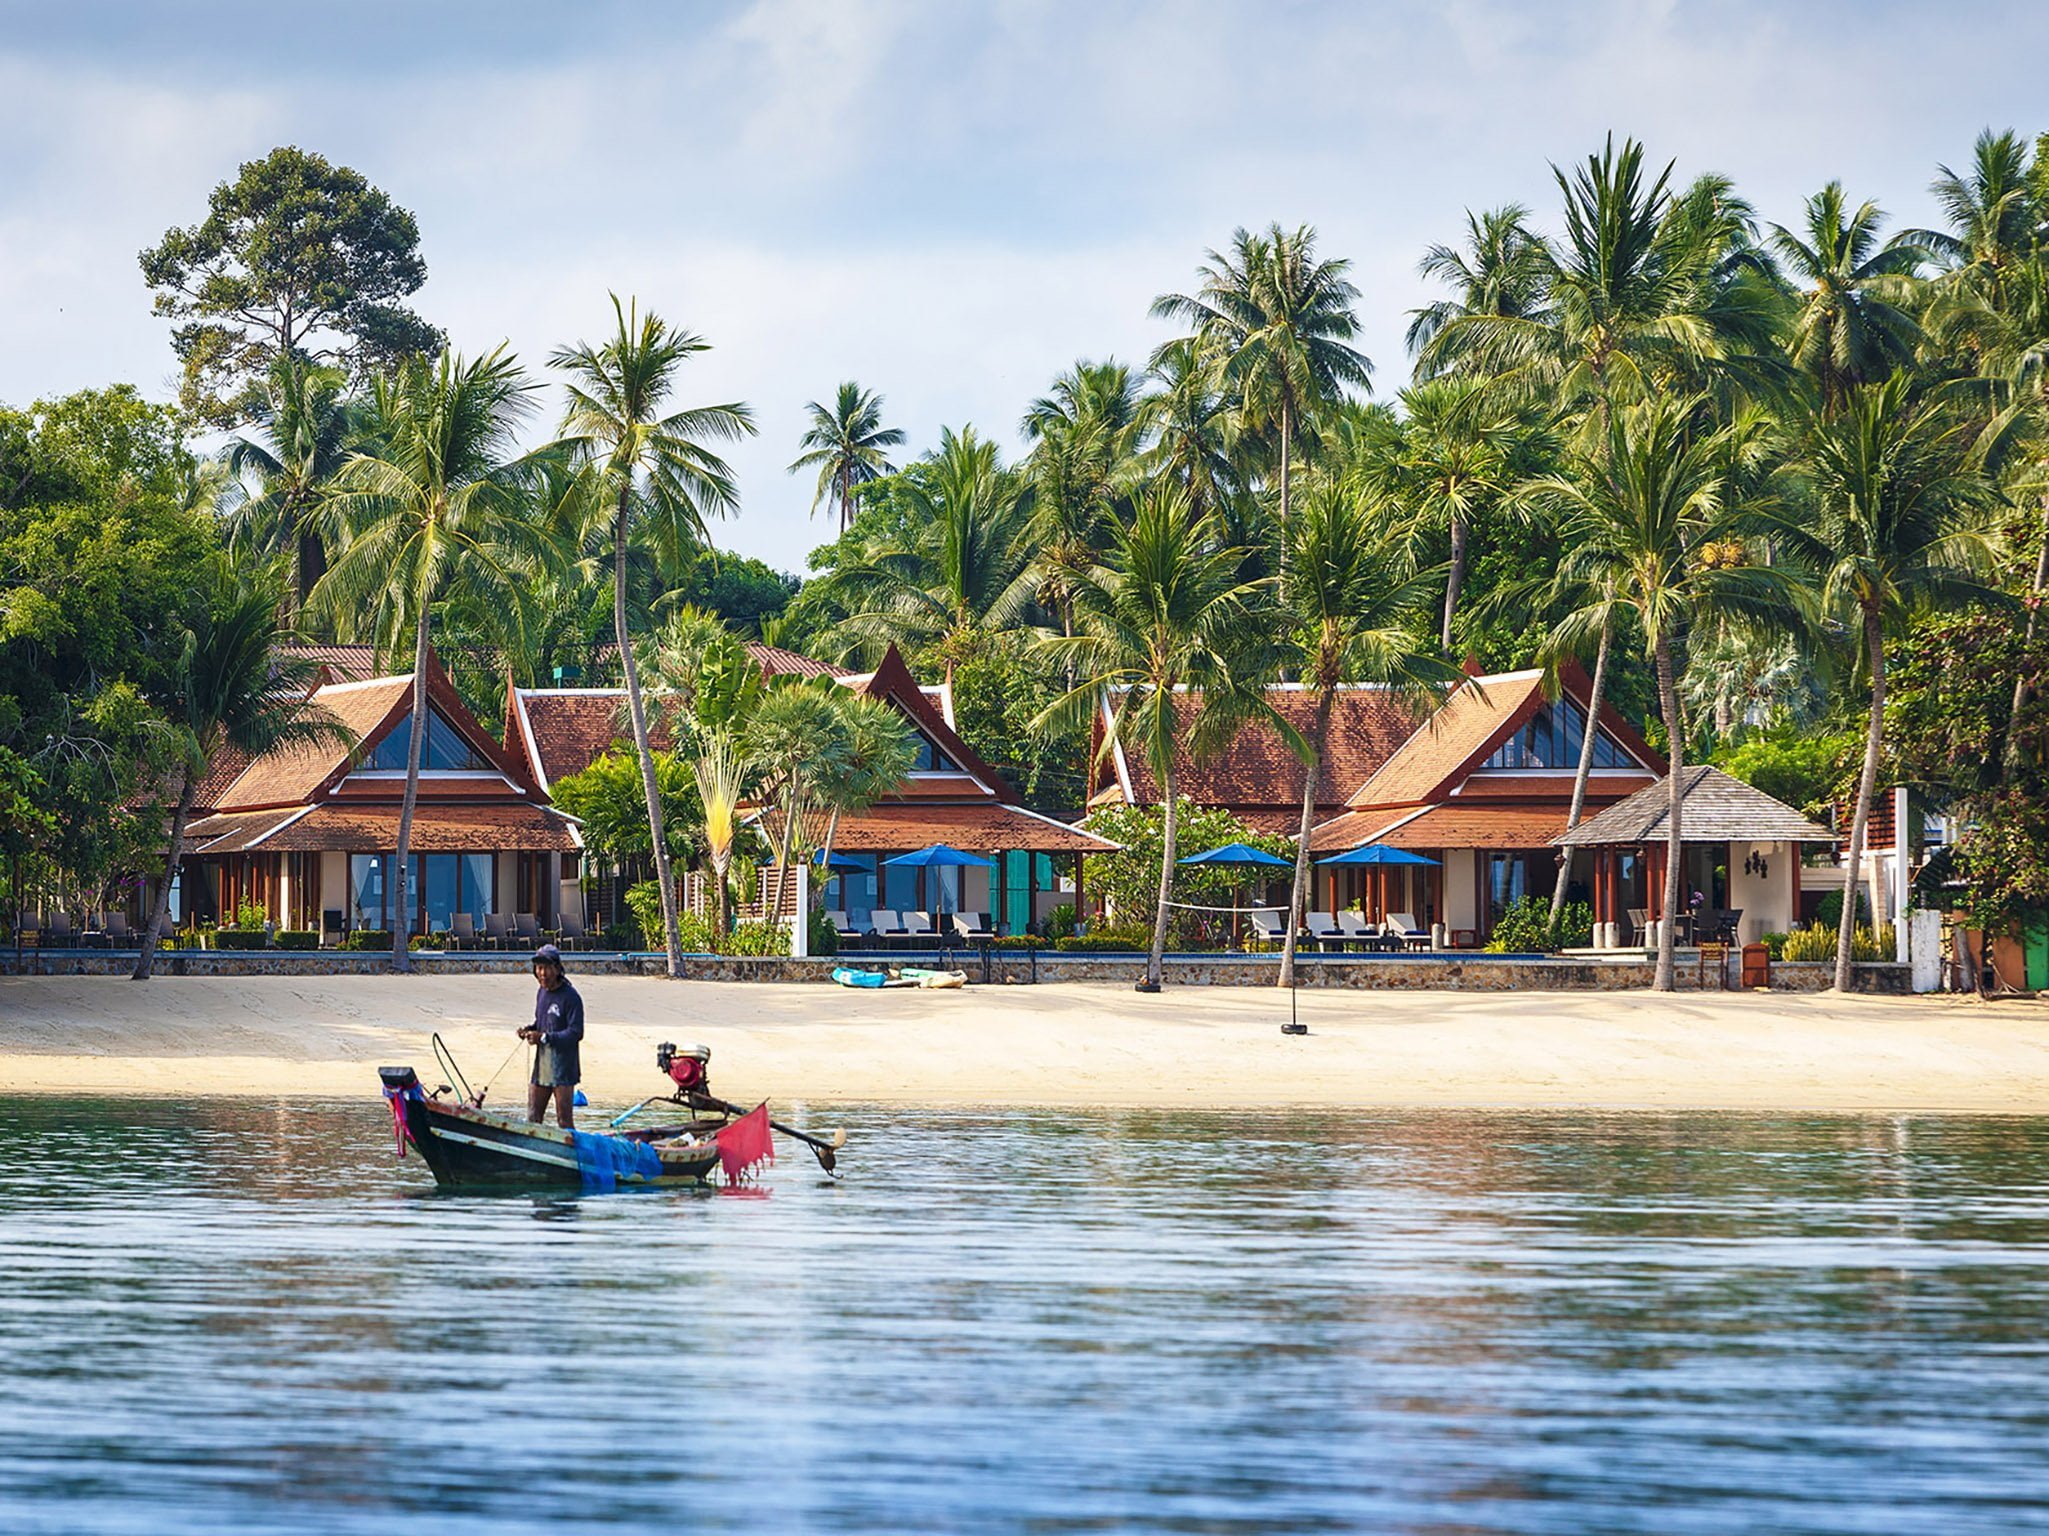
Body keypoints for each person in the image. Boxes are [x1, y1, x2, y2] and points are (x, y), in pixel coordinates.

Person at [520, 943, 584, 1128]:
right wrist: (529, 1030)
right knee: (533, 1118)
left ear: (557, 969)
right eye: (539, 968)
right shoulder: (541, 993)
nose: (543, 973)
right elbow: (541, 1022)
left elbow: (576, 1032)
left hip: (563, 1067)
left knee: (564, 1121)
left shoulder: (571, 997)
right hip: (543, 1064)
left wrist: (544, 1038)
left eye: (547, 968)